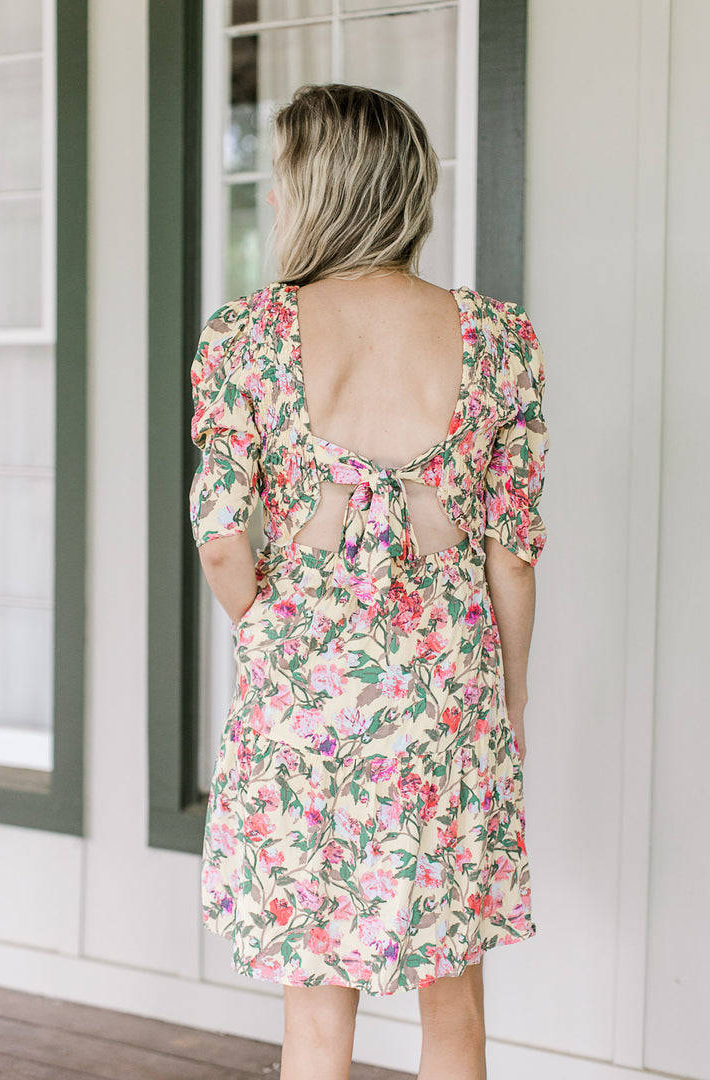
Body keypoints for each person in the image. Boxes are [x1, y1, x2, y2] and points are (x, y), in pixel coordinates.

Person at [189, 83, 550, 1080]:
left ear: (318, 189)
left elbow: (220, 535)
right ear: (410, 190)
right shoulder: (498, 338)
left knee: (315, 1015)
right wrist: (508, 696)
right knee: (456, 1005)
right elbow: (512, 552)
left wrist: (267, 622)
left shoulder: (247, 335)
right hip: (447, 696)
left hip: (304, 701)